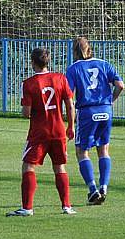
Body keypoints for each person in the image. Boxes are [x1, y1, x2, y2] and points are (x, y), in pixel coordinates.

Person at [7, 47, 76, 216]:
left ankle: (27, 208)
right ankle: (66, 206)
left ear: (32, 63)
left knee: (28, 166)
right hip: (58, 130)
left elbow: (26, 113)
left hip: (39, 132)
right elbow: (70, 104)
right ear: (47, 61)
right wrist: (71, 126)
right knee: (59, 167)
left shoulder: (29, 83)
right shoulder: (60, 78)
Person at [65, 35, 125, 205]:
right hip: (105, 111)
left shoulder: (73, 68)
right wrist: (111, 101)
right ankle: (104, 186)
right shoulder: (104, 64)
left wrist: (69, 117)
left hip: (87, 111)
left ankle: (92, 190)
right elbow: (120, 85)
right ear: (89, 48)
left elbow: (69, 94)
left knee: (82, 152)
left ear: (74, 51)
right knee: (103, 150)